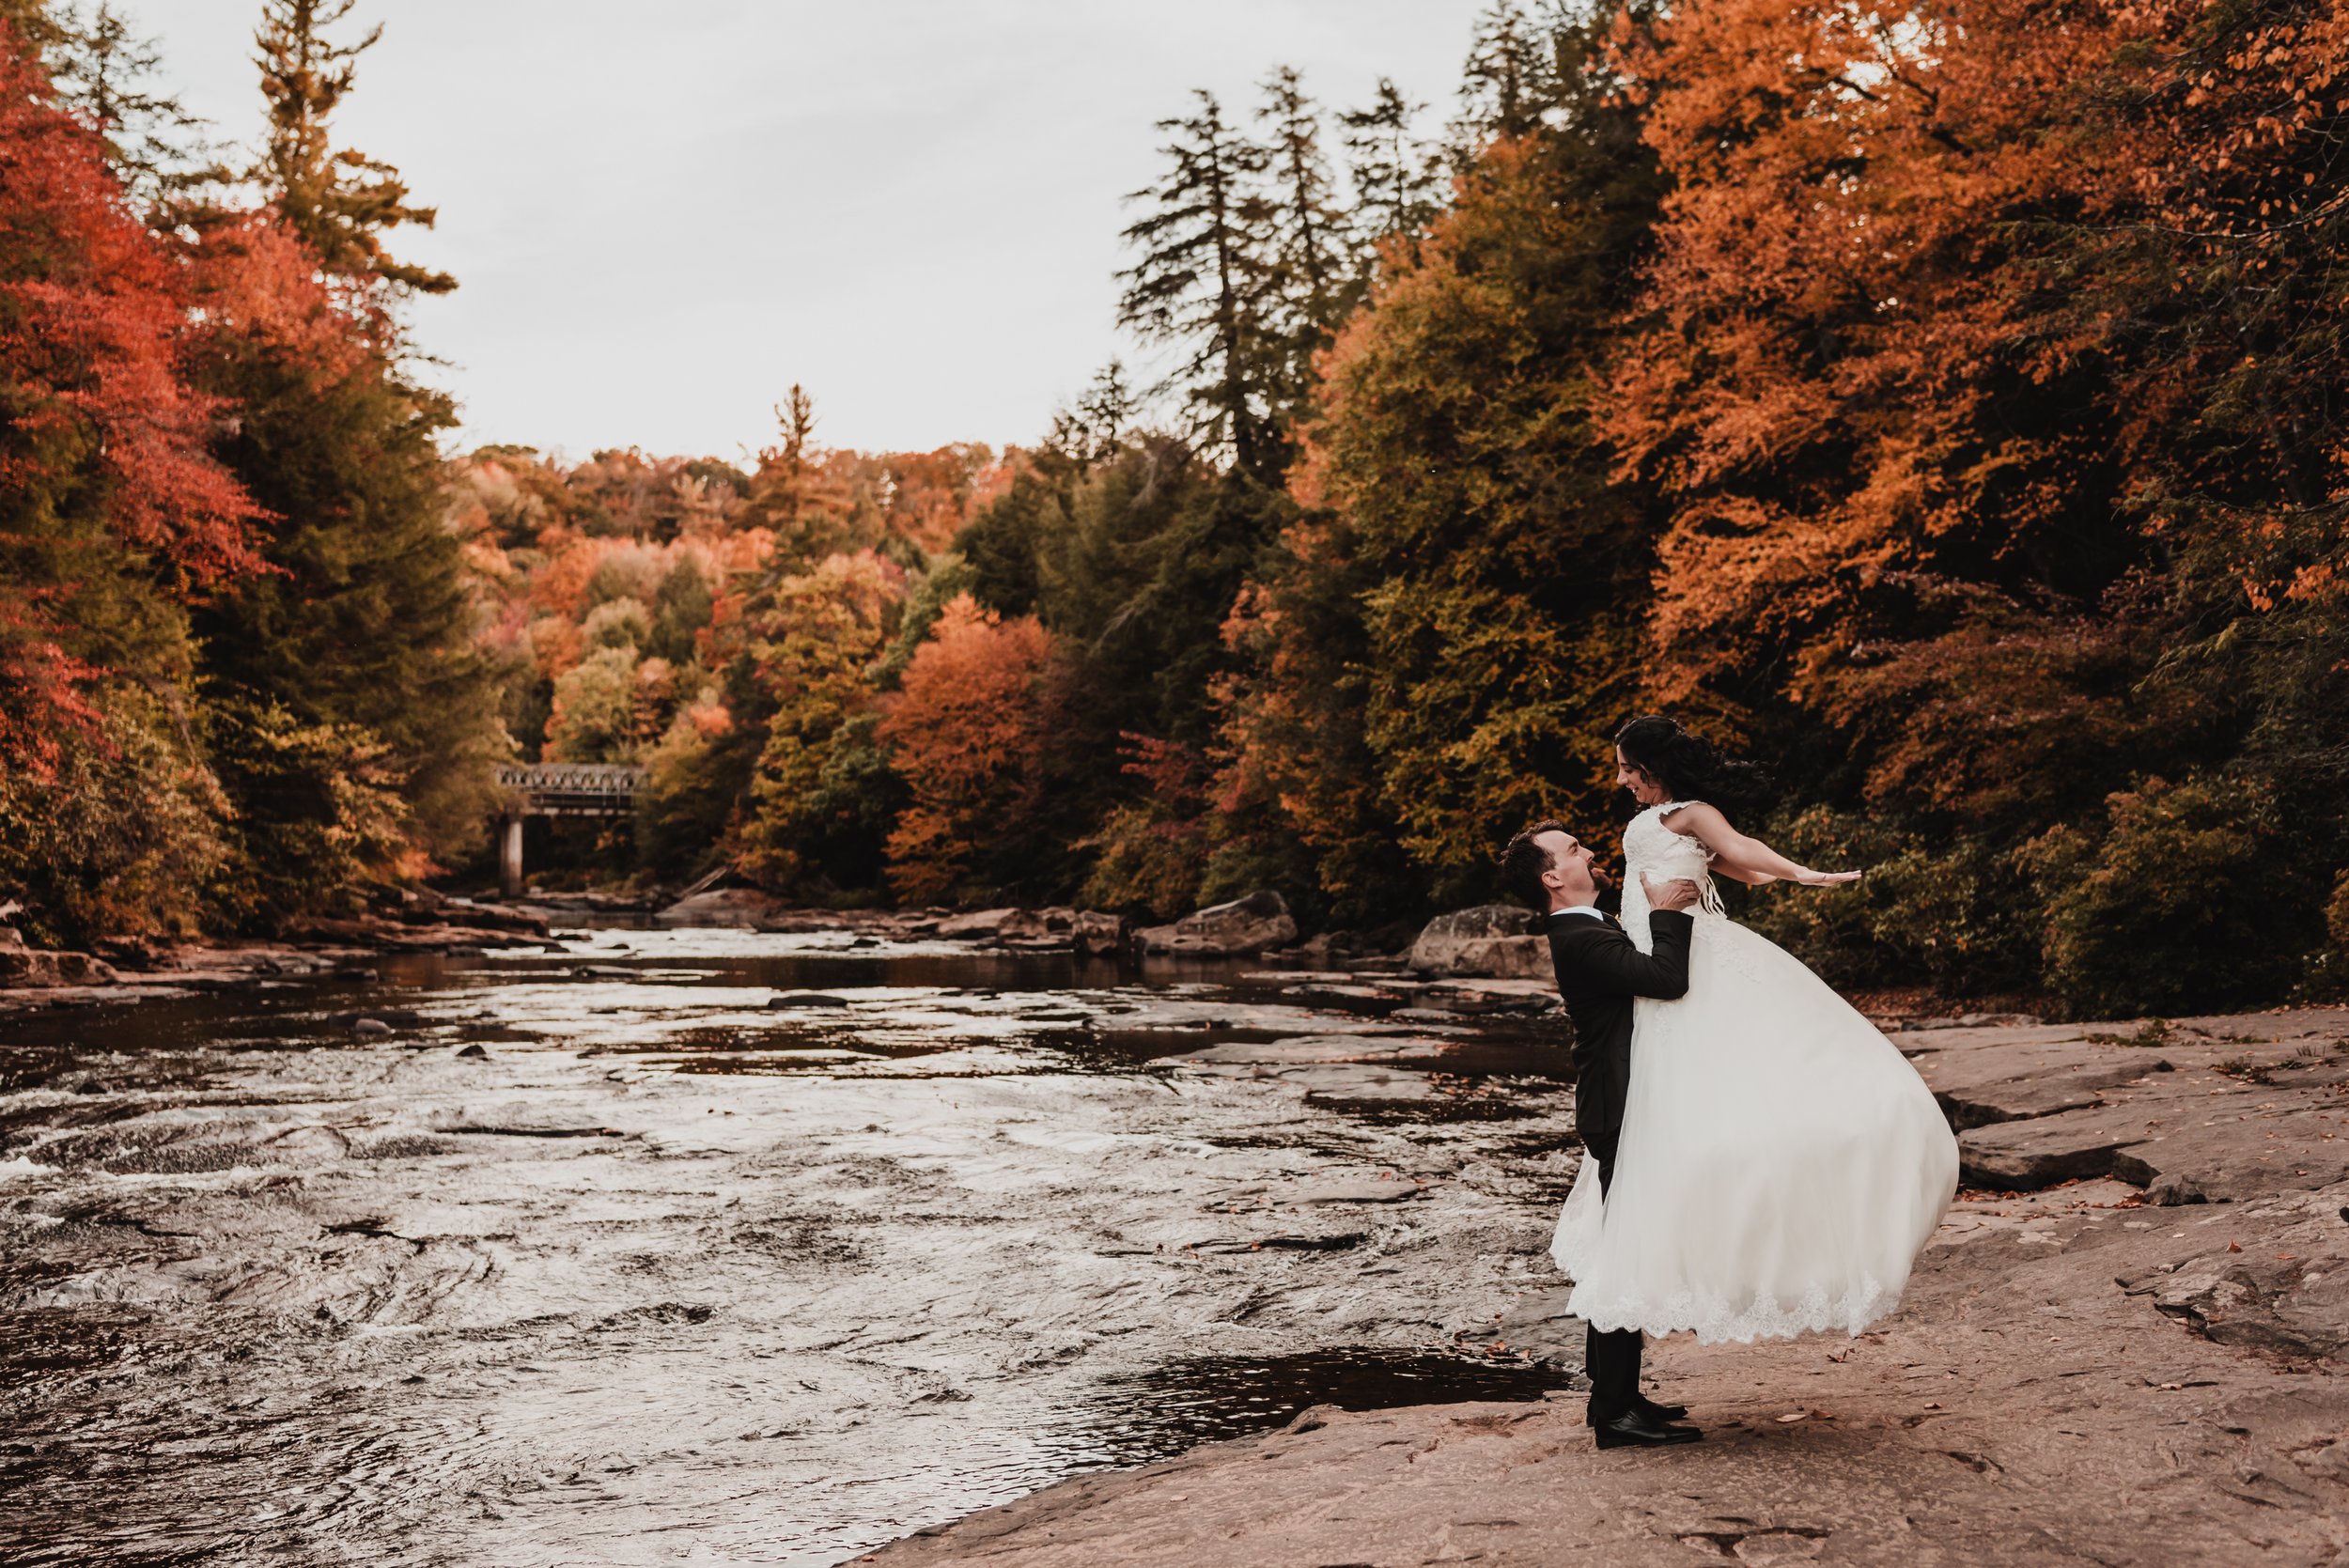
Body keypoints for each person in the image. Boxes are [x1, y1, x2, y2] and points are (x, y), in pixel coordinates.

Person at [1548, 716, 1959, 1414]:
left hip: (1687, 961)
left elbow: (1735, 853)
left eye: (1624, 766)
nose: (1619, 779)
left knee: (1758, 1090)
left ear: (1651, 765)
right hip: (1660, 974)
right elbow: (1722, 865)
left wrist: (1799, 871)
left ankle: (1620, 1396)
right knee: (1677, 1146)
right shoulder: (1649, 825)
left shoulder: (1688, 813)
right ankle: (1619, 1395)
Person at [1500, 818, 1705, 1449]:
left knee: (1627, 1248)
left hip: (1620, 1105)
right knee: (1626, 1255)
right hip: (1617, 1110)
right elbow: (1667, 979)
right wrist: (1671, 914)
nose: (1587, 850)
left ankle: (1617, 1396)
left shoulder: (1588, 925)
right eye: (1572, 848)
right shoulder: (1578, 938)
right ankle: (1612, 1410)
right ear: (1552, 877)